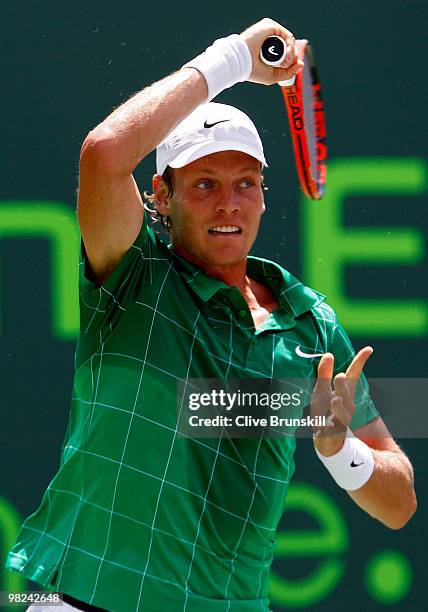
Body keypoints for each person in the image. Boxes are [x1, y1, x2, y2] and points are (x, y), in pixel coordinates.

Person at [6, 17, 416, 612]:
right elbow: (102, 154)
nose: (229, 202)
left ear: (265, 194)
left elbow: (399, 501)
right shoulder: (134, 272)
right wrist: (231, 61)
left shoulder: (308, 321)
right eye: (203, 183)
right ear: (161, 196)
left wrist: (338, 450)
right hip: (84, 599)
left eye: (246, 182)